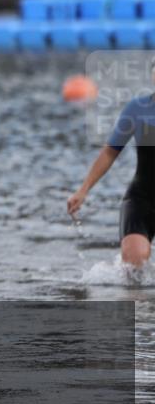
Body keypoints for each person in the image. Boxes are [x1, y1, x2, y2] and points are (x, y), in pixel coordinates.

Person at [68, 64, 155, 267]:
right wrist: (83, 190)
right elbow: (109, 152)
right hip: (142, 199)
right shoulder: (137, 109)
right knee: (134, 266)